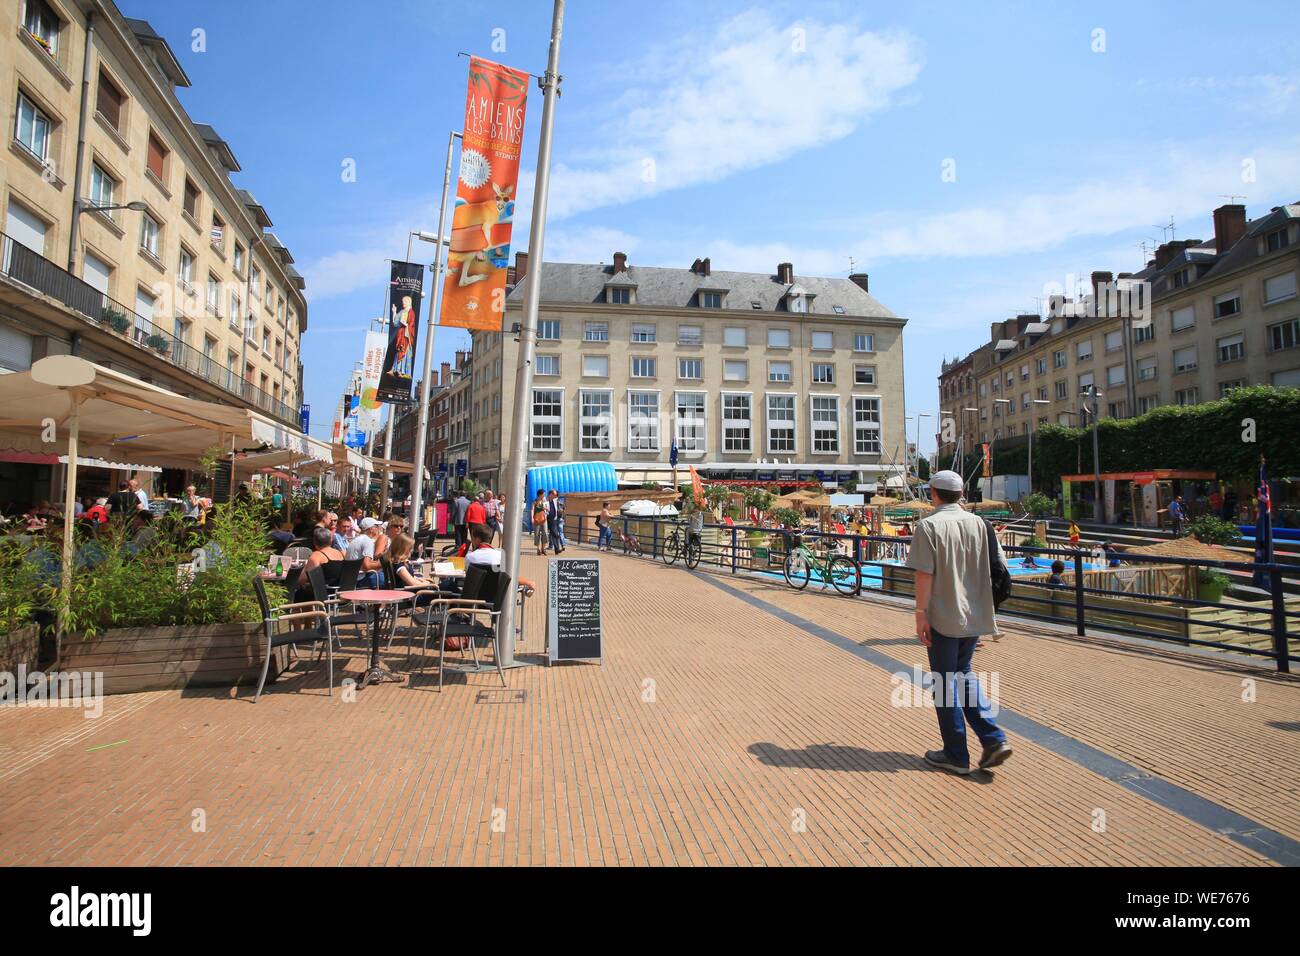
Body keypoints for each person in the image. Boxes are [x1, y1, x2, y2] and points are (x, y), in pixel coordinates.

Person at [903, 469, 1012, 776]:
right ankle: (992, 738)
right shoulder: (979, 523)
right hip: (975, 614)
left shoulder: (929, 526)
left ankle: (955, 754)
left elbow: (924, 574)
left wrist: (920, 614)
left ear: (933, 493)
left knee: (944, 681)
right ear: (961, 494)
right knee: (963, 674)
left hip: (944, 616)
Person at [346, 517, 384, 588]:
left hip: (351, 579)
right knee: (388, 579)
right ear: (371, 529)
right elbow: (366, 566)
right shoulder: (367, 541)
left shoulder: (356, 539)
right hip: (360, 579)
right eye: (377, 526)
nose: (379, 528)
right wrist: (383, 563)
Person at [546, 489, 565, 554]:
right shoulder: (545, 501)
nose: (556, 496)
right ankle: (542, 549)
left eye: (556, 494)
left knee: (555, 534)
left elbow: (562, 505)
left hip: (553, 520)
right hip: (546, 520)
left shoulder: (555, 501)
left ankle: (557, 549)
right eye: (554, 494)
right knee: (549, 534)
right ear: (550, 494)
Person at [532, 491, 549, 555]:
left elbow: (548, 509)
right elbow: (532, 509)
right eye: (543, 494)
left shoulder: (545, 501)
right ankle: (538, 549)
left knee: (545, 533)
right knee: (537, 534)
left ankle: (543, 548)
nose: (544, 495)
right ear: (540, 494)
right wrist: (532, 518)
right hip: (537, 519)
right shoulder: (535, 501)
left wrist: (546, 508)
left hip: (544, 519)